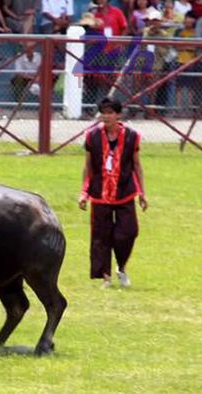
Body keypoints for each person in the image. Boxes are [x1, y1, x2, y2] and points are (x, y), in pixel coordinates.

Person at [78, 98, 148, 289]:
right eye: (103, 113)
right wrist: (83, 192)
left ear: (118, 115)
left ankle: (121, 268)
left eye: (110, 113)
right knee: (101, 235)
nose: (106, 116)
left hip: (124, 191)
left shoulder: (132, 136)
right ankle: (106, 276)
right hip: (100, 192)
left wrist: (142, 192)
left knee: (128, 232)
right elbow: (88, 166)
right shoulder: (92, 136)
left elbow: (137, 165)